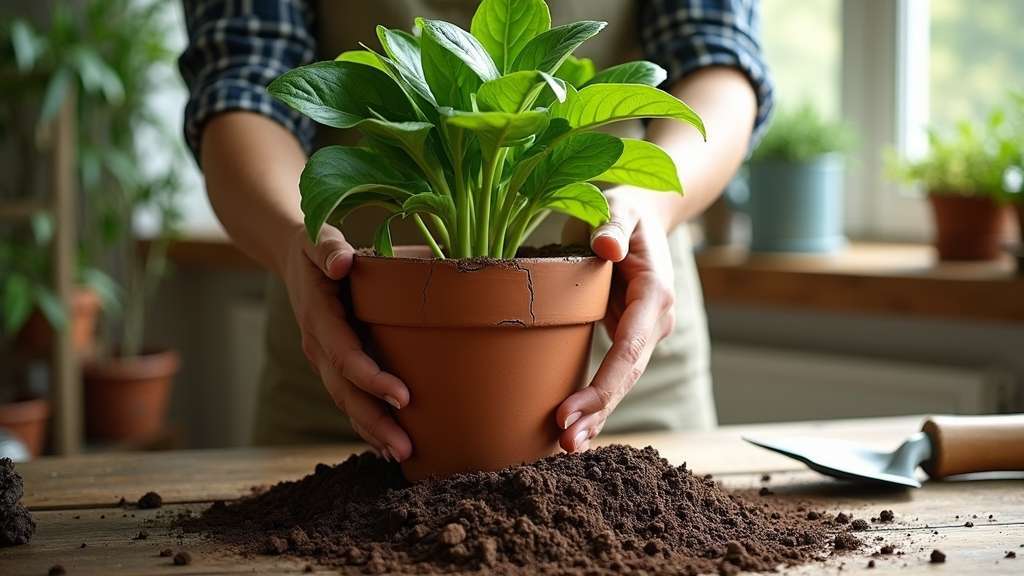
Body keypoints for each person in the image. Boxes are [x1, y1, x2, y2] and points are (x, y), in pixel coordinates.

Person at [179, 0, 773, 461]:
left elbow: (718, 61)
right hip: (344, 378)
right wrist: (293, 238)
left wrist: (646, 201)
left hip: (620, 376)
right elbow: (242, 82)